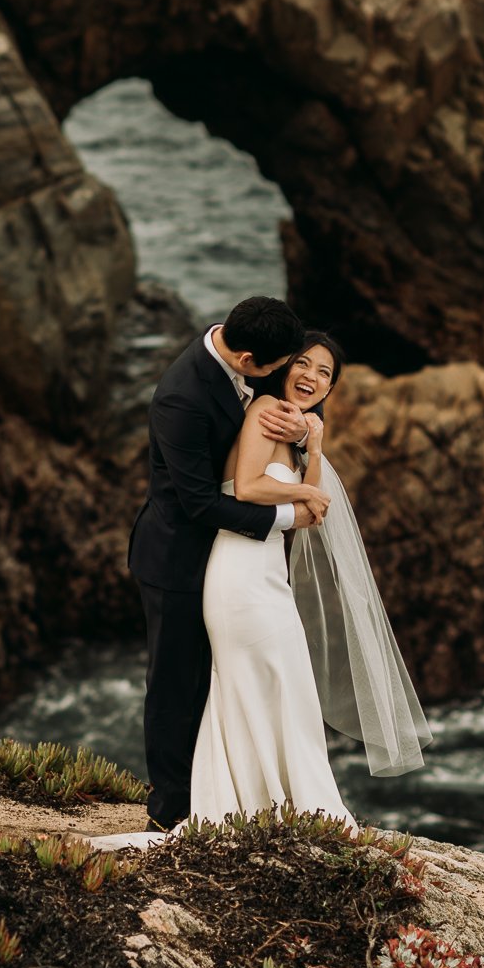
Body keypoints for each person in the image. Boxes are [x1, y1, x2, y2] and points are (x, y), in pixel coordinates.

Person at [189, 333, 431, 830]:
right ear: (284, 367)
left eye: (325, 373)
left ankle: (284, 807)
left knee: (287, 685)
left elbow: (313, 501)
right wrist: (303, 492)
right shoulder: (265, 411)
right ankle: (255, 807)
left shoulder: (297, 429)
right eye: (304, 364)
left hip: (266, 572)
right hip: (238, 572)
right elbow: (252, 486)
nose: (312, 377)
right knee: (258, 682)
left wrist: (313, 445)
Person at [127, 296, 325, 832]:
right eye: (277, 367)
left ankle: (230, 792)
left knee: (228, 677)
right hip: (177, 559)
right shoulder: (180, 399)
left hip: (232, 557)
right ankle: (169, 814)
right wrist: (290, 516)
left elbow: (301, 395)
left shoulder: (261, 348)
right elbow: (198, 503)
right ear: (243, 361)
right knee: (176, 686)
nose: (288, 372)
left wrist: (306, 430)